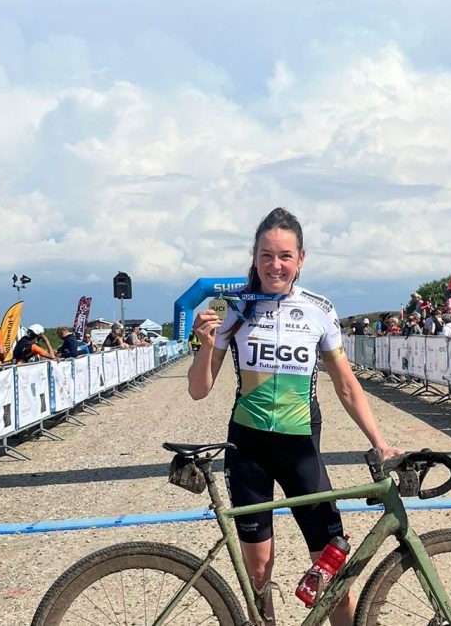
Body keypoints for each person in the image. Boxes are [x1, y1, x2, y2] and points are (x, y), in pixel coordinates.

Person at [186, 207, 403, 625]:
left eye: (285, 256)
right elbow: (199, 390)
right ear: (254, 258)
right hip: (247, 449)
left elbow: (346, 385)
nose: (275, 265)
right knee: (259, 574)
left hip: (301, 449)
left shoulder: (320, 310)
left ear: (301, 259)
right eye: (266, 255)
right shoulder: (238, 310)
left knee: (333, 568)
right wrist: (204, 344)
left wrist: (379, 441)